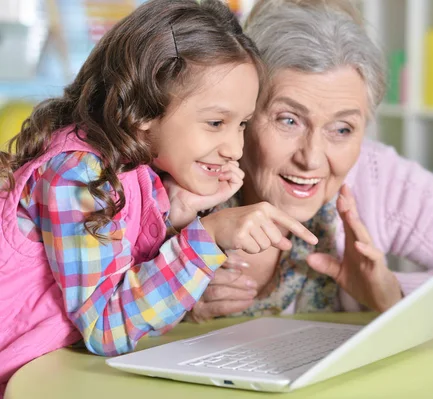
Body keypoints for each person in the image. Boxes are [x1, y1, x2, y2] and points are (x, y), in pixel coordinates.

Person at [0, 0, 318, 394]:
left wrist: (175, 213)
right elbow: (106, 327)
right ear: (142, 110)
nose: (234, 148)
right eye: (216, 123)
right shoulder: (78, 173)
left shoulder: (134, 171)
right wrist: (207, 236)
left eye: (242, 124)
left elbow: (113, 269)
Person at [186, 0, 433, 323]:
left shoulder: (378, 178)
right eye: (289, 120)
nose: (312, 158)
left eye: (342, 129)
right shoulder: (181, 172)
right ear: (246, 113)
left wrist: (396, 295)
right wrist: (175, 304)